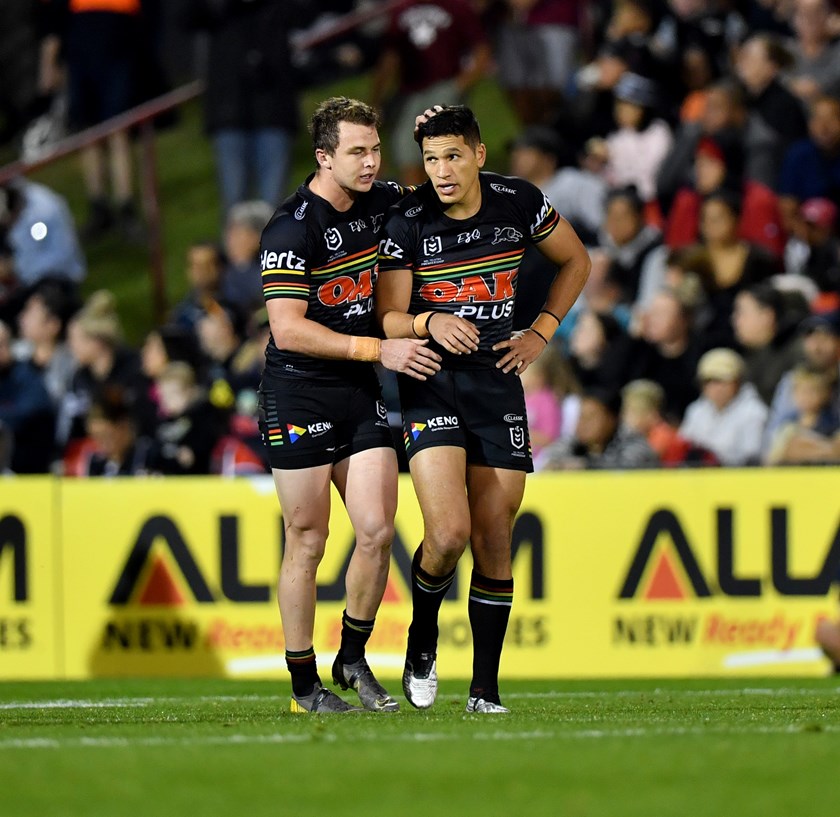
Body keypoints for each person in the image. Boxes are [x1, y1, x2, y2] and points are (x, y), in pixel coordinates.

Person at [376, 105, 590, 712]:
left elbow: (577, 260)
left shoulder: (519, 201)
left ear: (478, 154)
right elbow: (386, 317)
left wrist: (542, 330)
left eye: (451, 156)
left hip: (497, 382)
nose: (440, 171)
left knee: (496, 537)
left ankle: (485, 691)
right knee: (447, 533)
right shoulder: (408, 218)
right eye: (430, 159)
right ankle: (422, 639)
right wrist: (427, 320)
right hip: (432, 379)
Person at [257, 97, 441, 714]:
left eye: (375, 149)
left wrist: (431, 133)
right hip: (300, 389)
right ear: (324, 157)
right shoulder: (290, 227)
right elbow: (288, 330)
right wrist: (377, 348)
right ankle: (303, 685)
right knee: (307, 539)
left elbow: (440, 188)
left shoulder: (381, 199)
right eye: (357, 151)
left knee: (378, 530)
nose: (370, 162)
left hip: (358, 388)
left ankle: (353, 656)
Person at [679, 348, 769, 466]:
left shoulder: (754, 412)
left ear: (737, 382)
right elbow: (684, 446)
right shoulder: (696, 410)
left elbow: (751, 457)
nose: (716, 387)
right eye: (708, 381)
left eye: (721, 381)